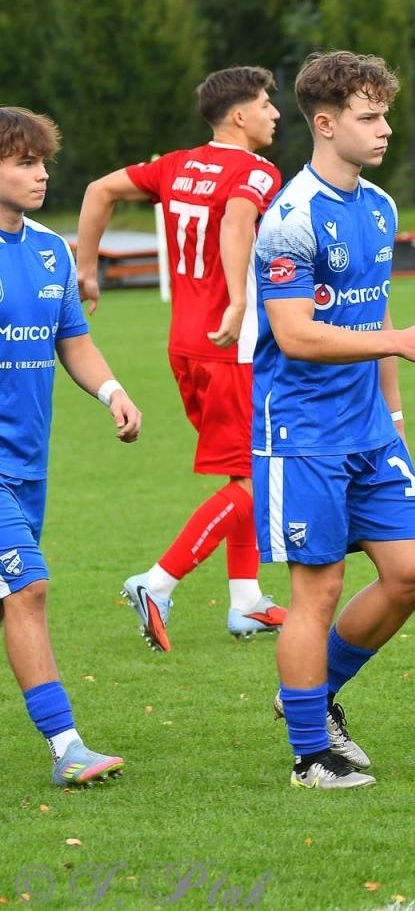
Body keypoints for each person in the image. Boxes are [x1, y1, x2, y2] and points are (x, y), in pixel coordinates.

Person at [254, 51, 415, 790]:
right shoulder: (289, 219)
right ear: (325, 123)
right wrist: (401, 344)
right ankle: (311, 755)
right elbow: (295, 335)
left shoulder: (378, 207)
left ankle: (308, 699)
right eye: (369, 116)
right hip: (304, 433)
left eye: (386, 113)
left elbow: (370, 310)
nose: (385, 129)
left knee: (412, 574)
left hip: (370, 428)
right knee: (316, 591)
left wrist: (397, 407)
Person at [75, 66, 288, 650]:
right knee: (259, 476)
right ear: (239, 115)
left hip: (186, 344)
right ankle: (158, 582)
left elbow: (98, 191)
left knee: (243, 469)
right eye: (266, 103)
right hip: (231, 345)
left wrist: (86, 268)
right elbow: (240, 218)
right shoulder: (257, 171)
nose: (274, 113)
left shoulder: (178, 165)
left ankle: (246, 600)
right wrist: (241, 299)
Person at [0, 106, 142, 785]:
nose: (41, 174)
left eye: (44, 162)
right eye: (25, 161)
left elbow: (73, 340)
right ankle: (66, 747)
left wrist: (111, 391)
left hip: (30, 465)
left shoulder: (51, 251)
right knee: (28, 589)